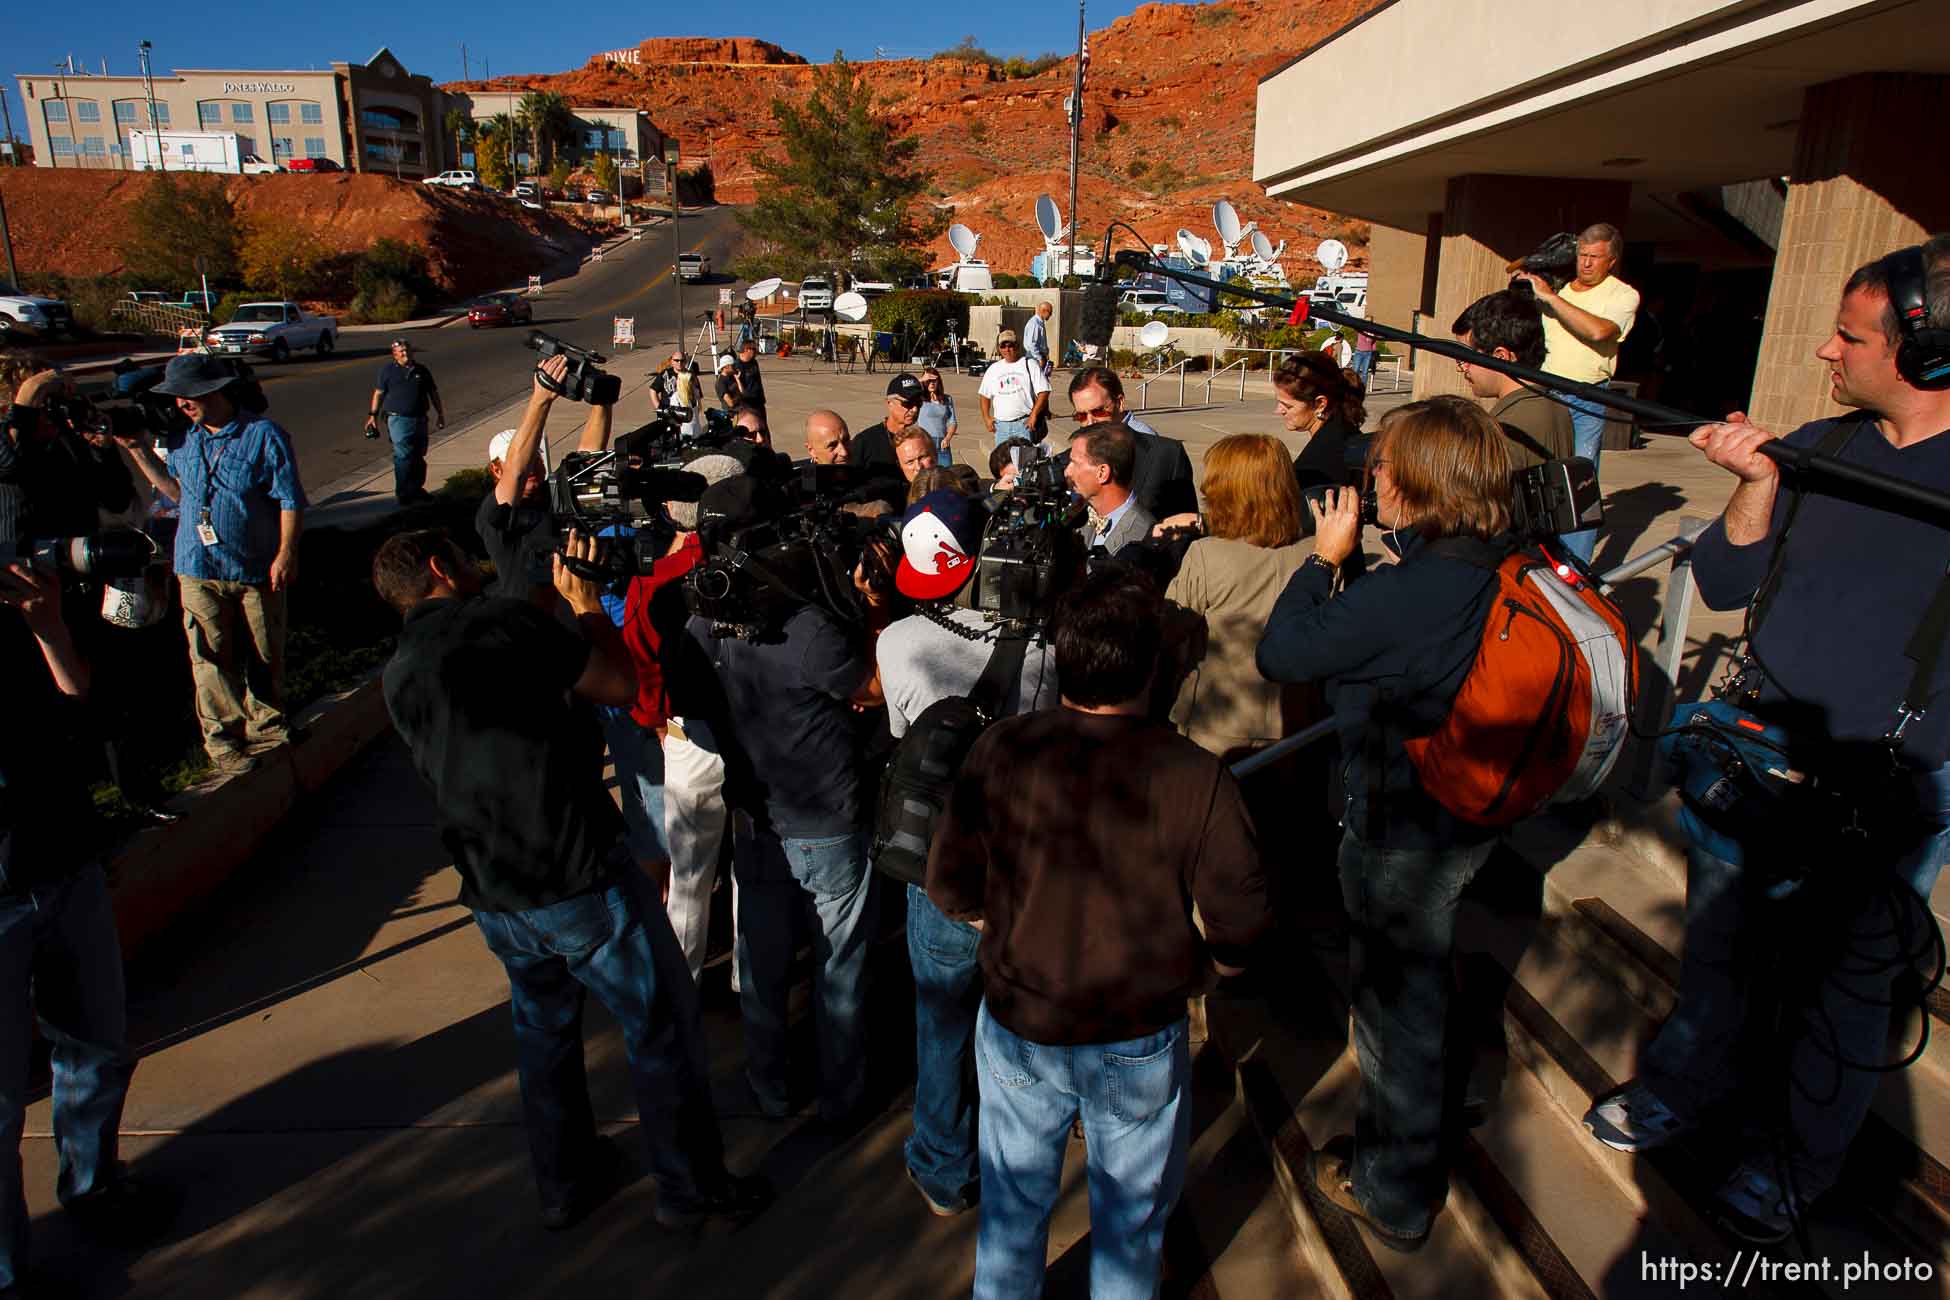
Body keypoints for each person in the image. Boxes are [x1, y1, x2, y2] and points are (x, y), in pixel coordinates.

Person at [1581, 236, 1950, 1245]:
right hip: (1752, 751)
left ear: (1929, 350)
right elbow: (1729, 580)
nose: (1825, 353)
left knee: (1842, 993)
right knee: (1720, 948)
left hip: (1887, 783)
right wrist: (1754, 479)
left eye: (1849, 335)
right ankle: (1686, 1089)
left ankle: (1796, 1158)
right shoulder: (1827, 451)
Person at [374, 527, 768, 1232]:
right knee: (659, 1029)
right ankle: (690, 1188)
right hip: (575, 875)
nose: (479, 565)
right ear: (439, 565)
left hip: (495, 892)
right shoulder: (502, 623)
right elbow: (618, 684)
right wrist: (585, 607)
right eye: (467, 557)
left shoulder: (399, 669)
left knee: (544, 1035)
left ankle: (564, 1183)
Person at [927, 567, 1270, 1299]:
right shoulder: (1195, 773)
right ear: (1155, 665)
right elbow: (1242, 914)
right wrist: (1215, 970)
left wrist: (1015, 928)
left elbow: (950, 885)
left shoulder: (1003, 749)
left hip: (1021, 1021)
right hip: (1137, 1033)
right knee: (1132, 1224)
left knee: (1013, 1211)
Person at [1256, 395, 1518, 1251]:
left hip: (1404, 825)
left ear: (1412, 483)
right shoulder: (1495, 557)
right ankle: (1420, 1122)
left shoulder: (1412, 591)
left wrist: (1323, 561)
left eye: (1381, 471)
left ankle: (1394, 1191)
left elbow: (1283, 654)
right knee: (1417, 989)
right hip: (1470, 808)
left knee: (1394, 1013)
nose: (1369, 483)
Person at [877, 488, 1060, 1218]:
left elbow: (899, 736)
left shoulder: (897, 641)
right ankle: (1027, 1150)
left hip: (939, 863)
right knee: (1023, 1015)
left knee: (942, 1020)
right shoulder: (1042, 643)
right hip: (1025, 858)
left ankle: (944, 1163)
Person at [0, 562, 173, 1297]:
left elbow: (93, 716)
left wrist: (49, 631)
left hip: (65, 866)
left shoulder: (21, 614)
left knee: (99, 1047)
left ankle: (93, 1184)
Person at [685, 536, 879, 1125]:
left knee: (763, 964)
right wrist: (869, 612)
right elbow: (870, 690)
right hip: (825, 821)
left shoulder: (703, 628)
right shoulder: (810, 633)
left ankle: (769, 1084)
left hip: (757, 819)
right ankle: (841, 1097)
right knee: (839, 967)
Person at [136, 353, 306, 776]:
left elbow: (289, 498)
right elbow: (176, 492)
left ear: (216, 391)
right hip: (196, 565)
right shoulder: (181, 439)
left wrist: (287, 551)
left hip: (254, 567)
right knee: (209, 657)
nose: (181, 404)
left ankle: (266, 725)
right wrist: (138, 450)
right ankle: (223, 741)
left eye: (187, 394)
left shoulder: (264, 436)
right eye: (176, 397)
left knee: (265, 652)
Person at [621, 454, 748, 985]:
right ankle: (751, 980)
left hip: (688, 739)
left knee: (690, 878)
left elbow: (639, 667)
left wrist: (656, 722)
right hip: (757, 735)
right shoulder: (759, 564)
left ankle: (681, 984)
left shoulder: (656, 582)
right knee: (754, 872)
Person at [1162, 434, 1313, 760]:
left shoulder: (1206, 555)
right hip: (1297, 726)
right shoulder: (1320, 551)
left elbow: (1170, 631)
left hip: (1216, 727)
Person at [1521, 221, 1639, 564]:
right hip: (1544, 392)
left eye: (1595, 257)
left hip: (1587, 398)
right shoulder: (1557, 287)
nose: (1586, 264)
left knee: (1579, 485)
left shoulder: (1622, 295)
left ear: (1612, 260)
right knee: (1534, 476)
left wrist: (1551, 299)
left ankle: (1574, 569)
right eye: (1582, 256)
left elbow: (1599, 331)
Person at [479, 354, 612, 607]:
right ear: (497, 471)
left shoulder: (553, 492)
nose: (531, 466)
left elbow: (588, 457)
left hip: (580, 611)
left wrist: (601, 401)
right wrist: (541, 398)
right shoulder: (496, 516)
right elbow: (516, 471)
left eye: (536, 460)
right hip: (531, 624)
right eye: (523, 460)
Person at [1451, 289, 1576, 469]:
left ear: (1500, 357)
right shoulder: (1555, 406)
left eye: (1465, 358)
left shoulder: (1507, 427)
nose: (1459, 368)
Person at [1066, 367, 1196, 521]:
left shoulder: (1166, 455)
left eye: (1098, 412)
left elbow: (1186, 521)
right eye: (1081, 416)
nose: (1089, 423)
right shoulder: (1072, 459)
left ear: (1120, 403)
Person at [365, 338, 446, 506]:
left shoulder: (421, 370)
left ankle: (417, 489)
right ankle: (403, 492)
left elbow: (433, 393)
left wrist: (440, 414)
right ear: (394, 355)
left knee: (418, 455)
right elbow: (379, 393)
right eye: (401, 351)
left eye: (408, 350)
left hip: (420, 418)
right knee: (403, 455)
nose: (405, 354)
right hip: (398, 419)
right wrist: (373, 415)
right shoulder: (387, 371)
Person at [1278, 350, 1366, 501]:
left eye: (1287, 406)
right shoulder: (1350, 434)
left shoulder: (1316, 464)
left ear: (1320, 404)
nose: (1278, 411)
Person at [1065, 421, 1154, 557]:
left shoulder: (1143, 536)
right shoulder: (1080, 516)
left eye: (1074, 463)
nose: (1067, 472)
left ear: (1102, 473)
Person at [977, 331, 1048, 447]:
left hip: (1024, 425)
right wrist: (986, 418)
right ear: (999, 349)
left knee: (1024, 462)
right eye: (1003, 346)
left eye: (1010, 345)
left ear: (1017, 346)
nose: (1007, 349)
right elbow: (984, 395)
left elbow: (1044, 391)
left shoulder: (1029, 364)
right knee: (1004, 463)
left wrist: (1034, 415)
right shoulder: (993, 369)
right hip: (1001, 427)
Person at [852, 373, 927, 473]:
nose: (915, 409)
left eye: (919, 403)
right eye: (908, 403)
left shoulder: (922, 440)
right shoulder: (865, 442)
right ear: (889, 403)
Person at [916, 367, 958, 467]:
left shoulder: (947, 399)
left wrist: (948, 438)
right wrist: (920, 380)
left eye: (934, 381)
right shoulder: (919, 398)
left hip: (942, 444)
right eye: (928, 381)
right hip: (925, 443)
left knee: (946, 475)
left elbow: (953, 422)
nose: (932, 384)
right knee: (926, 477)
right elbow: (906, 390)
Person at [732, 338, 767, 415]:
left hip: (759, 402)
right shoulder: (737, 366)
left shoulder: (754, 362)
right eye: (754, 349)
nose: (756, 351)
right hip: (748, 404)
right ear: (746, 349)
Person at [1022, 301, 1053, 379]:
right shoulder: (1034, 324)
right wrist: (1039, 358)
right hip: (1034, 357)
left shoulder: (1039, 323)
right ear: (1044, 311)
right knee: (1036, 382)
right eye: (1050, 312)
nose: (1051, 315)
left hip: (1038, 356)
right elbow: (1031, 344)